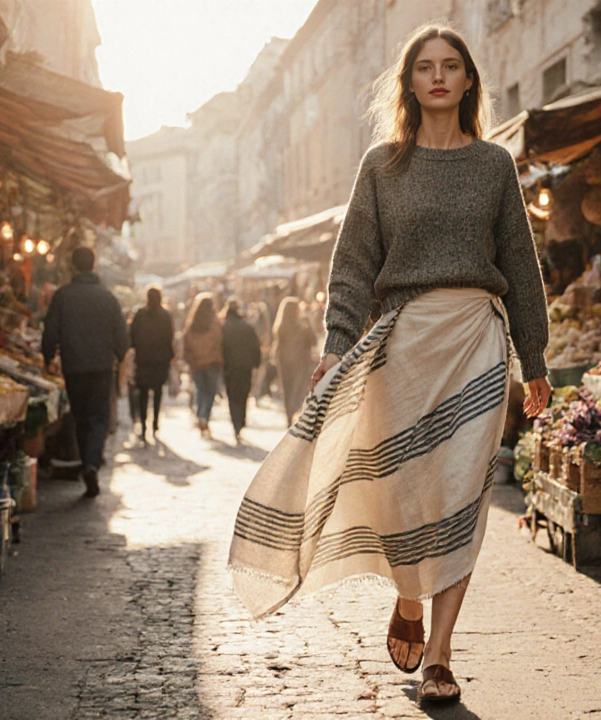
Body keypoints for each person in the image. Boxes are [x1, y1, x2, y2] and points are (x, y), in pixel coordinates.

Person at [228, 25, 551, 705]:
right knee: (404, 494)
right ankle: (409, 593)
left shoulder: (494, 163)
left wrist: (537, 357)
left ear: (468, 81)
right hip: (403, 344)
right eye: (425, 67)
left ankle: (440, 655)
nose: (437, 77)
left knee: (464, 495)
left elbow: (520, 266)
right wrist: (335, 344)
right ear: (409, 83)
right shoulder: (382, 165)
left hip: (476, 343)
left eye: (451, 66)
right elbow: (351, 268)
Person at [42, 247, 128, 497]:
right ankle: (91, 463)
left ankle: (88, 462)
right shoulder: (108, 297)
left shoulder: (63, 296)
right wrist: (119, 356)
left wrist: (48, 357)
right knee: (99, 417)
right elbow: (122, 335)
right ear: (94, 265)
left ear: (74, 266)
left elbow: (50, 331)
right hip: (102, 367)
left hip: (74, 367)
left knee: (80, 416)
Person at [128, 286, 176, 443]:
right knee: (157, 392)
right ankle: (155, 424)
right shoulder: (165, 315)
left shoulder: (141, 314)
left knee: (142, 394)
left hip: (143, 360)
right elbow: (170, 337)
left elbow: (132, 336)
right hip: (160, 361)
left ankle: (143, 425)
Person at [270, 297, 317, 427]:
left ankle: (288, 415)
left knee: (286, 388)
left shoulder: (280, 326)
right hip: (300, 361)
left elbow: (278, 344)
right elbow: (313, 341)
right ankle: (293, 411)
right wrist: (308, 319)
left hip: (283, 360)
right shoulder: (303, 325)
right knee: (298, 387)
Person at [220, 298, 262, 443]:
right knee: (243, 395)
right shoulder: (247, 327)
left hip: (229, 368)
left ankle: (236, 424)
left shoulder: (224, 328)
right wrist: (256, 363)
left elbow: (221, 349)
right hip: (245, 367)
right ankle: (241, 422)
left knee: (232, 397)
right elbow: (256, 347)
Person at [182, 293, 223, 436]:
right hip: (212, 362)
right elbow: (219, 342)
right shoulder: (215, 322)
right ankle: (205, 416)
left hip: (196, 362)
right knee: (211, 392)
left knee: (200, 390)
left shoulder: (192, 323)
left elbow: (186, 341)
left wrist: (189, 357)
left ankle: (200, 413)